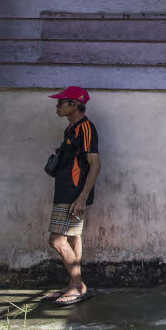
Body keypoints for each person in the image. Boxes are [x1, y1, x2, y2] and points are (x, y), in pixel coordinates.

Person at [45, 86, 101, 305]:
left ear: (75, 105)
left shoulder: (85, 128)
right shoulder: (71, 129)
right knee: (72, 236)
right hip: (66, 190)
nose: (57, 106)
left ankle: (78, 286)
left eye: (61, 102)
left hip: (73, 193)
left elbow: (95, 164)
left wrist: (81, 198)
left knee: (56, 240)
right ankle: (73, 284)